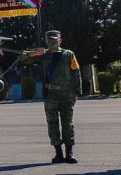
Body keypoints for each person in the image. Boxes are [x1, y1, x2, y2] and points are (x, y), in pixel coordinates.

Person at [19, 30, 82, 163]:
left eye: (55, 39)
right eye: (49, 40)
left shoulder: (68, 54)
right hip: (50, 94)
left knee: (68, 124)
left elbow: (76, 73)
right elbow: (22, 58)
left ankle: (69, 153)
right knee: (52, 124)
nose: (52, 42)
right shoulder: (43, 55)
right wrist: (35, 53)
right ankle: (58, 153)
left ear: (60, 40)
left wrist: (77, 93)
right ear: (46, 41)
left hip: (66, 94)